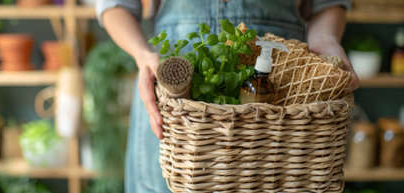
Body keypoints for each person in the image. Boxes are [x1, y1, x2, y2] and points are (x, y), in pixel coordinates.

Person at [96, 0, 359, 192]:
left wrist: (324, 41)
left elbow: (329, 3)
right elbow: (114, 5)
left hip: (283, 81)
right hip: (173, 84)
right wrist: (143, 56)